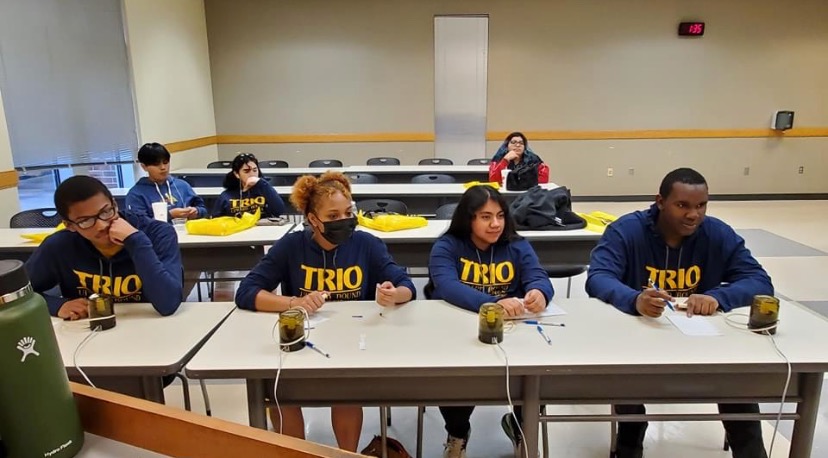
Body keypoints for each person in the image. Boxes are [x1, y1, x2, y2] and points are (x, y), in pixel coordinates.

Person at [585, 168, 773, 458]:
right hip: (638, 338)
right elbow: (598, 277)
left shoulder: (716, 233)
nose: (693, 215)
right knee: (626, 382)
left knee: (737, 384)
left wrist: (717, 297)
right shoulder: (627, 231)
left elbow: (759, 281)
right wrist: (634, 300)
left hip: (703, 339)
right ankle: (630, 439)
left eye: (701, 206)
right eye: (682, 205)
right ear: (660, 202)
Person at [235, 171, 415, 452]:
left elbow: (406, 285)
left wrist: (393, 294)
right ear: (313, 220)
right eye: (333, 216)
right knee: (280, 393)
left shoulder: (367, 244)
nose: (343, 221)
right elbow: (246, 292)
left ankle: (347, 454)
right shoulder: (292, 246)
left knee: (346, 392)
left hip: (353, 341)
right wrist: (294, 303)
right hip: (304, 340)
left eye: (348, 213)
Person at [427, 184, 554, 458]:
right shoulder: (447, 245)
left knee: (534, 375)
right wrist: (493, 303)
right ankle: (458, 432)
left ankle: (522, 428)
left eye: (500, 216)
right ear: (468, 218)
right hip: (460, 331)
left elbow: (538, 276)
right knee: (455, 381)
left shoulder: (517, 245)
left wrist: (539, 293)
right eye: (485, 217)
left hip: (514, 331)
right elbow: (446, 285)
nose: (495, 224)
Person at [25, 175, 183, 319]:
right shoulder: (59, 245)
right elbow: (17, 293)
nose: (101, 225)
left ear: (114, 204)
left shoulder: (157, 234)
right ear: (69, 225)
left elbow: (168, 304)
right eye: (85, 221)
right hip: (86, 330)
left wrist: (136, 242)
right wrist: (57, 305)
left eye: (106, 212)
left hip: (149, 327)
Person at [126, 142, 207, 221]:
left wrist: (197, 211)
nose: (163, 167)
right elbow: (139, 223)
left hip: (186, 228)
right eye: (156, 164)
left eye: (165, 162)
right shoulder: (136, 194)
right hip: (158, 230)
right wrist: (169, 215)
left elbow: (203, 209)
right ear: (144, 167)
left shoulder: (182, 186)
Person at [212, 152, 285, 218]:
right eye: (246, 171)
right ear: (237, 174)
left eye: (255, 170)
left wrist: (263, 184)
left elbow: (279, 211)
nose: (252, 174)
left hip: (261, 227)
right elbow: (216, 219)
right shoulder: (226, 196)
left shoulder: (265, 189)